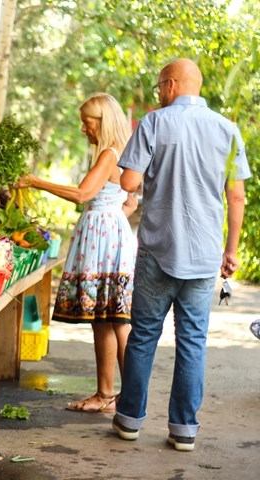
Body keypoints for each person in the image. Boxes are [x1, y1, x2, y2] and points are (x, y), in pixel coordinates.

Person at [112, 58, 251, 452]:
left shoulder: (155, 123)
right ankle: (184, 430)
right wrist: (231, 250)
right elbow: (236, 194)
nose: (158, 93)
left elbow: (129, 181)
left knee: (143, 338)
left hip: (158, 249)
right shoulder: (228, 130)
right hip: (205, 255)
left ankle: (129, 421)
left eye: (160, 86)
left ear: (171, 85)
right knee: (192, 342)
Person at [19, 92, 137, 413]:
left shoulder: (109, 155)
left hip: (103, 239)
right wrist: (111, 220)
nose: (83, 129)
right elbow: (130, 201)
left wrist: (35, 182)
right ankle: (115, 396)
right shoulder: (123, 153)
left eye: (87, 123)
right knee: (111, 318)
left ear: (103, 122)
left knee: (112, 319)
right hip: (111, 236)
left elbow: (83, 193)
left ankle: (118, 396)